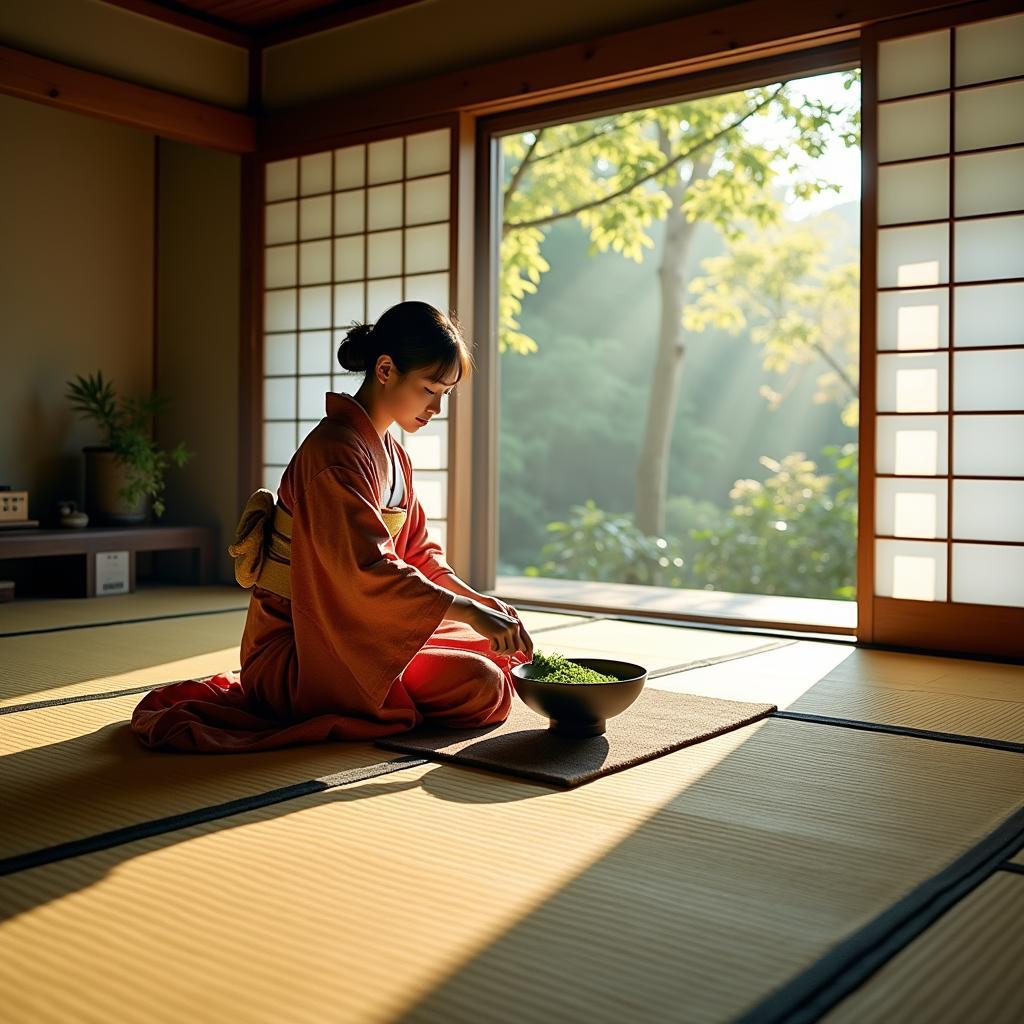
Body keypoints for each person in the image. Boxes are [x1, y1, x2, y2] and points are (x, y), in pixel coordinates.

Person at [130, 301, 533, 753]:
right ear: (385, 370)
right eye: (429, 390)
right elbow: (367, 569)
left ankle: (404, 686)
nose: (438, 407)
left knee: (497, 650)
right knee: (483, 685)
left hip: (351, 626)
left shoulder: (394, 456)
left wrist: (479, 603)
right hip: (303, 646)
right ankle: (383, 696)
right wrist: (468, 612)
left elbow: (421, 557)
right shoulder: (334, 453)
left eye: (445, 394)